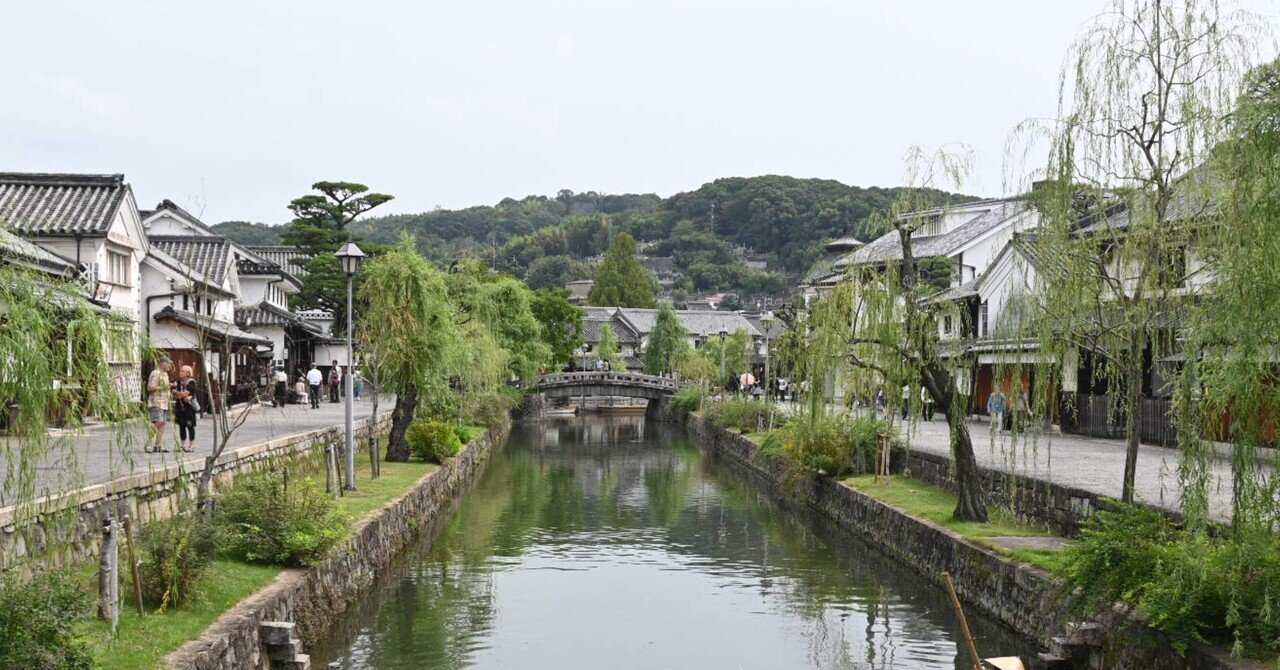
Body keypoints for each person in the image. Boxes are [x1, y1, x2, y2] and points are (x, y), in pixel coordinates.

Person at [145, 359, 172, 452]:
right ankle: (148, 443)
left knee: (163, 423)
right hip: (156, 401)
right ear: (162, 364)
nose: (169, 365)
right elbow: (150, 388)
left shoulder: (165, 374)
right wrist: (164, 387)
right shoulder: (156, 373)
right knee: (159, 421)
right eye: (168, 363)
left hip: (165, 401)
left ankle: (158, 445)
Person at [172, 365, 198, 453]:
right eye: (180, 371)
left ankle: (192, 444)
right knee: (181, 425)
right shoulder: (178, 381)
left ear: (188, 373)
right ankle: (183, 444)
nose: (181, 373)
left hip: (189, 407)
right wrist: (179, 393)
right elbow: (173, 392)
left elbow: (185, 394)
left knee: (190, 425)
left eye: (183, 371)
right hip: (180, 406)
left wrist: (178, 393)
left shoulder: (191, 382)